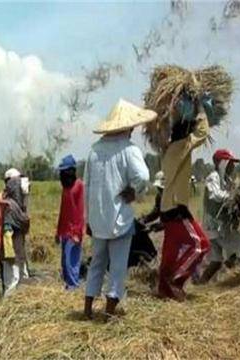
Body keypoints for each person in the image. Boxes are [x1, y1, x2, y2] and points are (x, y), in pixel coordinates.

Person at [83, 99, 153, 319]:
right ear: (128, 127)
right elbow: (143, 176)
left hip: (98, 219)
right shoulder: (129, 149)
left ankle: (87, 310)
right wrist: (135, 191)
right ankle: (109, 313)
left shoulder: (94, 150)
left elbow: (87, 185)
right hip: (119, 219)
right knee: (118, 267)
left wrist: (88, 218)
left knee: (97, 264)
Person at [157, 92, 212, 301]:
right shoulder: (182, 146)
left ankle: (163, 288)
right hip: (177, 210)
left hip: (167, 209)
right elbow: (202, 133)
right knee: (201, 245)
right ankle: (176, 281)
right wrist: (200, 109)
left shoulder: (170, 149)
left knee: (170, 252)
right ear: (185, 133)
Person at [198, 149, 240, 283]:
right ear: (222, 163)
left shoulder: (227, 180)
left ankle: (200, 284)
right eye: (230, 163)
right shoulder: (213, 177)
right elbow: (215, 195)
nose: (233, 166)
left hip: (217, 228)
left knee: (216, 262)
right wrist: (233, 196)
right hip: (214, 227)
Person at [0, 168, 31, 297]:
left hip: (16, 240)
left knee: (18, 273)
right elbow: (1, 224)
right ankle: (8, 301)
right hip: (6, 240)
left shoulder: (18, 199)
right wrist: (0, 244)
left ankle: (14, 299)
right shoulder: (3, 199)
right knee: (11, 275)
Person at [55, 155, 85, 290]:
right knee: (64, 261)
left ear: (72, 171)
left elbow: (80, 211)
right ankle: (68, 284)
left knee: (71, 260)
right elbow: (63, 211)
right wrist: (58, 232)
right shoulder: (65, 188)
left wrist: (77, 232)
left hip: (74, 231)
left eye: (65, 171)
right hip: (64, 231)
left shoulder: (79, 186)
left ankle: (73, 285)